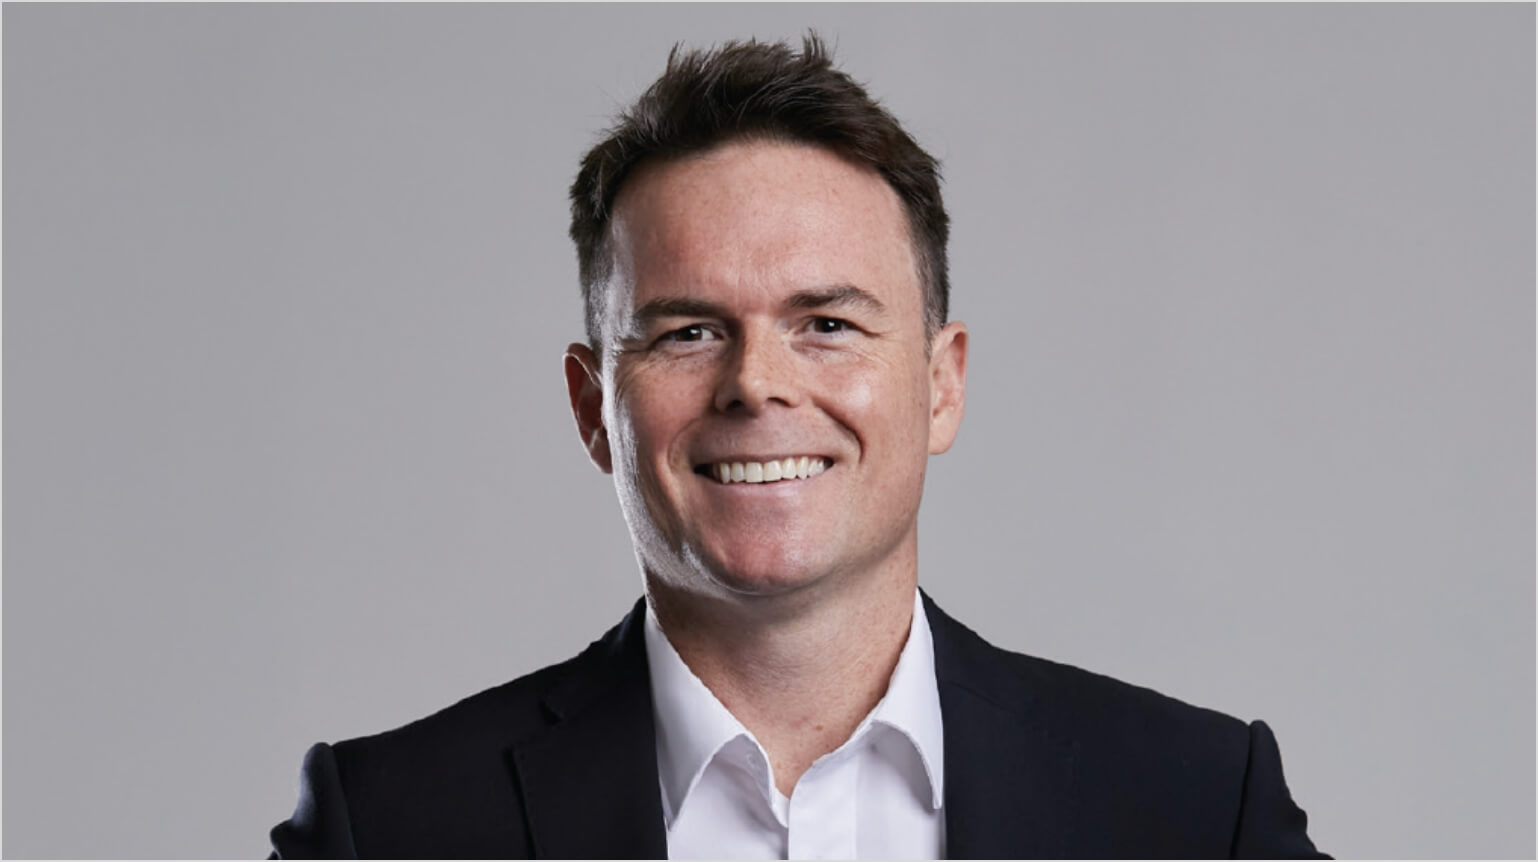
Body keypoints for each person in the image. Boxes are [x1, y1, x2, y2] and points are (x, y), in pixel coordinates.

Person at [269, 34, 1326, 859]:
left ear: (941, 383)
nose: (755, 383)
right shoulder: (392, 827)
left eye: (826, 323)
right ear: (594, 409)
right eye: (688, 332)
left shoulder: (1195, 809)